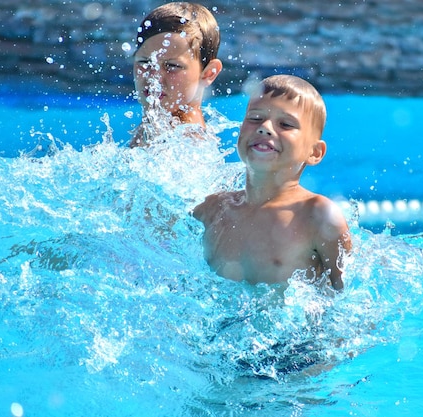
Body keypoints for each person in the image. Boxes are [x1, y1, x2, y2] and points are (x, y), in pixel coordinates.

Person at [193, 75, 352, 290]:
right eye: (255, 118)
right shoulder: (211, 210)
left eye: (285, 124)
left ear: (314, 152)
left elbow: (350, 298)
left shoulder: (317, 216)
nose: (265, 127)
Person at [129, 2, 223, 148]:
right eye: (145, 62)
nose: (154, 76)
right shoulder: (154, 128)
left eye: (172, 66)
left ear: (208, 73)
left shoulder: (190, 146)